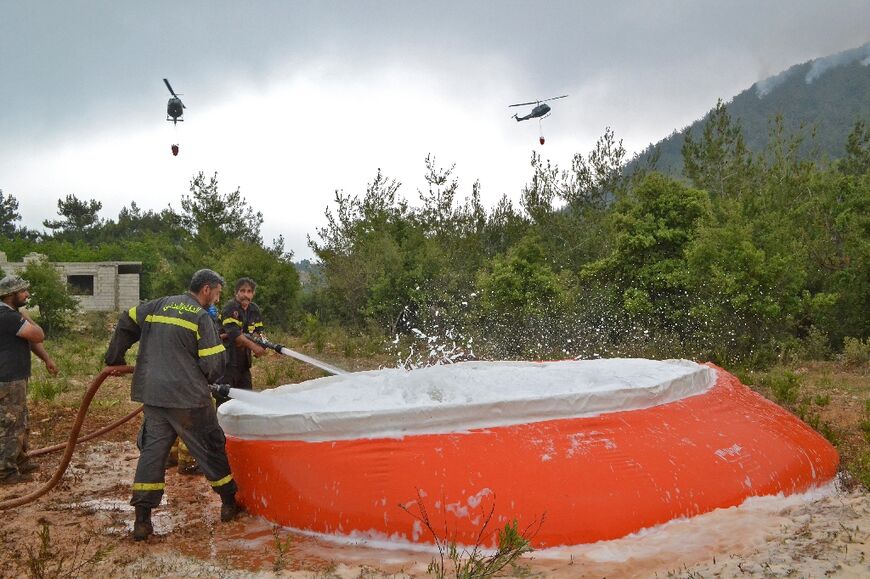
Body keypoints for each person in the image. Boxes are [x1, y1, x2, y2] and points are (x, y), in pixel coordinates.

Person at [104, 269, 241, 541]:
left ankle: (142, 521)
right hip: (189, 400)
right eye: (217, 292)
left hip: (154, 397)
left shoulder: (156, 306)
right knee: (211, 448)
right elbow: (214, 365)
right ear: (206, 290)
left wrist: (114, 358)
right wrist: (203, 379)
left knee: (152, 455)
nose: (217, 298)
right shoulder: (201, 317)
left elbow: (125, 321)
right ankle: (229, 503)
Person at [0, 275, 58, 484]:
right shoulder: (7, 316)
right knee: (10, 424)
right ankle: (5, 472)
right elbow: (38, 335)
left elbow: (31, 341)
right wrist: (26, 316)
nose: (27, 294)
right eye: (23, 291)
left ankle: (20, 460)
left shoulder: (11, 316)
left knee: (21, 420)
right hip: (8, 379)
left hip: (15, 378)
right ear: (10, 295)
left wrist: (47, 359)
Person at [216, 277, 267, 405]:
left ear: (253, 294)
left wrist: (264, 344)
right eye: (242, 291)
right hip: (226, 361)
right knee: (225, 400)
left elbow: (260, 331)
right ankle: (222, 424)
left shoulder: (254, 309)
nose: (246, 294)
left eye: (249, 291)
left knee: (247, 397)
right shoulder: (230, 308)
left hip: (243, 363)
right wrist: (254, 347)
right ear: (236, 292)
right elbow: (234, 333)